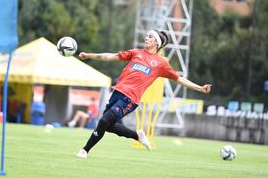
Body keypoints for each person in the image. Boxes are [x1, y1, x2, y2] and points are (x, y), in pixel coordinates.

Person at [76, 29, 212, 159]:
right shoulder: (136, 53)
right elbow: (111, 56)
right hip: (117, 92)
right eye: (147, 36)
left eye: (150, 36)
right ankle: (137, 136)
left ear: (157, 43)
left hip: (130, 99)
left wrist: (200, 88)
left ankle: (84, 150)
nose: (146, 38)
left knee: (104, 121)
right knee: (108, 126)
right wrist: (89, 55)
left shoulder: (161, 63)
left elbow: (179, 79)